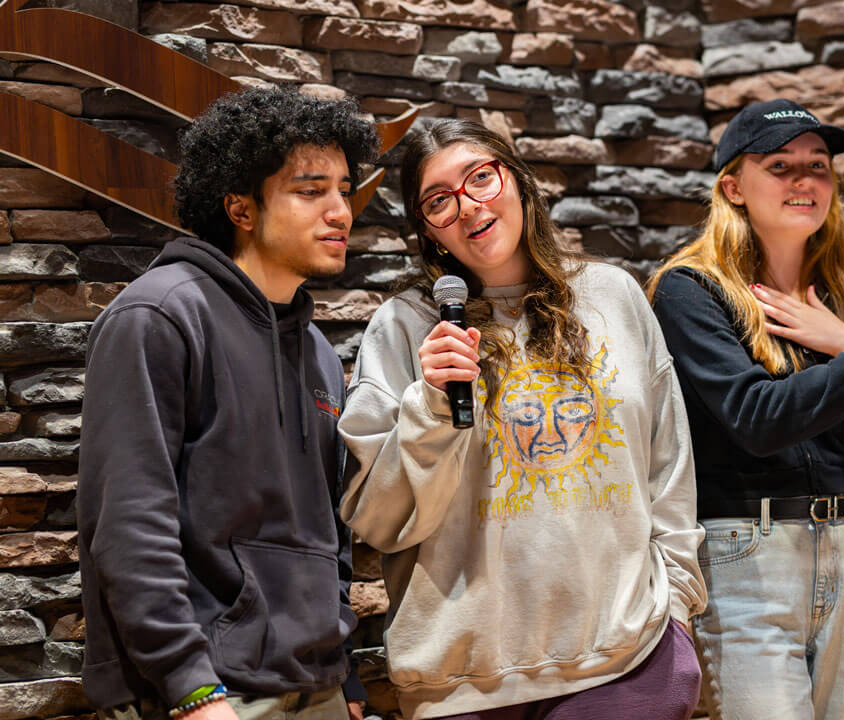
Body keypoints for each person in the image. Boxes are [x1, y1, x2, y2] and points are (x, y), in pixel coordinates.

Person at [337, 118, 706, 720]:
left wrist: (679, 609)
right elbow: (380, 521)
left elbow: (669, 464)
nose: (467, 206)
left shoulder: (613, 296)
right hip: (462, 683)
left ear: (518, 182)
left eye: (480, 178)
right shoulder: (405, 328)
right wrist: (430, 404)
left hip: (627, 664)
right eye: (439, 201)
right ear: (428, 234)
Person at [646, 98, 844, 720]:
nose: (804, 180)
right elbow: (758, 419)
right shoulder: (690, 291)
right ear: (733, 187)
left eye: (818, 166)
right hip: (746, 556)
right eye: (781, 165)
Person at [77, 87, 379, 720]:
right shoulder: (158, 315)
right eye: (310, 190)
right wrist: (190, 688)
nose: (340, 212)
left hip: (313, 689)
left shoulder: (319, 351)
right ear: (241, 208)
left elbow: (326, 529)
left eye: (344, 190)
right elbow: (130, 524)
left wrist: (344, 676)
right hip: (205, 695)